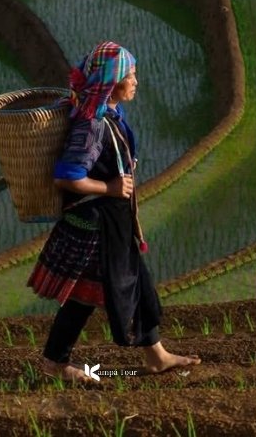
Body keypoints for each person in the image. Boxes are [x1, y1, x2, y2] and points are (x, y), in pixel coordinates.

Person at [27, 41, 200, 383]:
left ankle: (157, 356)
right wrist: (108, 187)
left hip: (112, 225)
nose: (136, 81)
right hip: (95, 228)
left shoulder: (109, 114)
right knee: (82, 298)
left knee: (135, 283)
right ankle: (53, 364)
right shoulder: (92, 125)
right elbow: (67, 176)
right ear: (112, 83)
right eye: (131, 75)